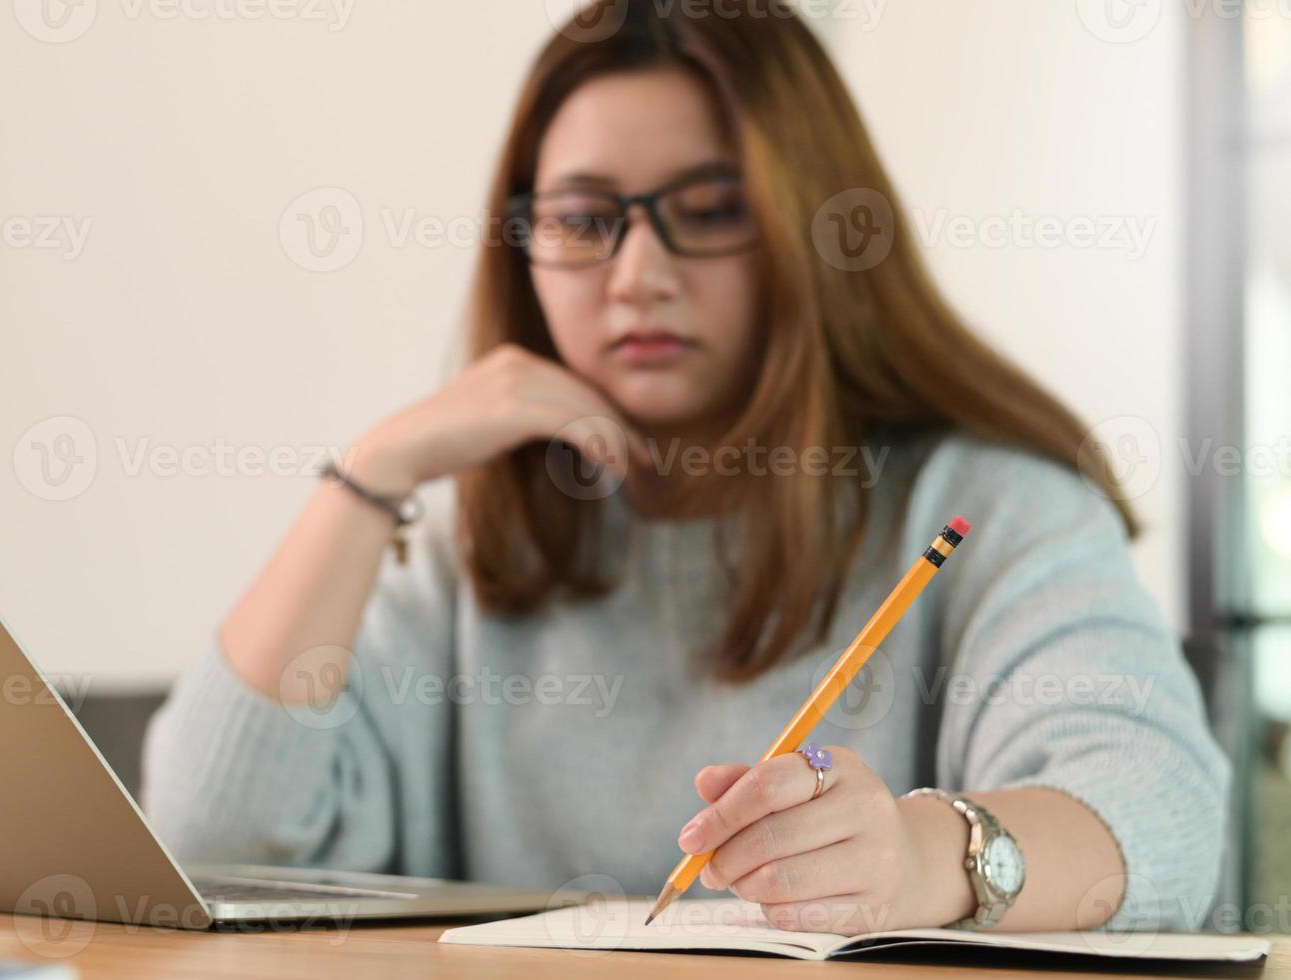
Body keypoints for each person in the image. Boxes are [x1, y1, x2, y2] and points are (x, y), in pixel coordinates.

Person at [144, 0, 1226, 935]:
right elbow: (213, 841)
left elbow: (1158, 816)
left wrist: (915, 855)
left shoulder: (989, 507)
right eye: (581, 218)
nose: (637, 271)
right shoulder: (489, 536)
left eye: (706, 211)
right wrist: (372, 474)